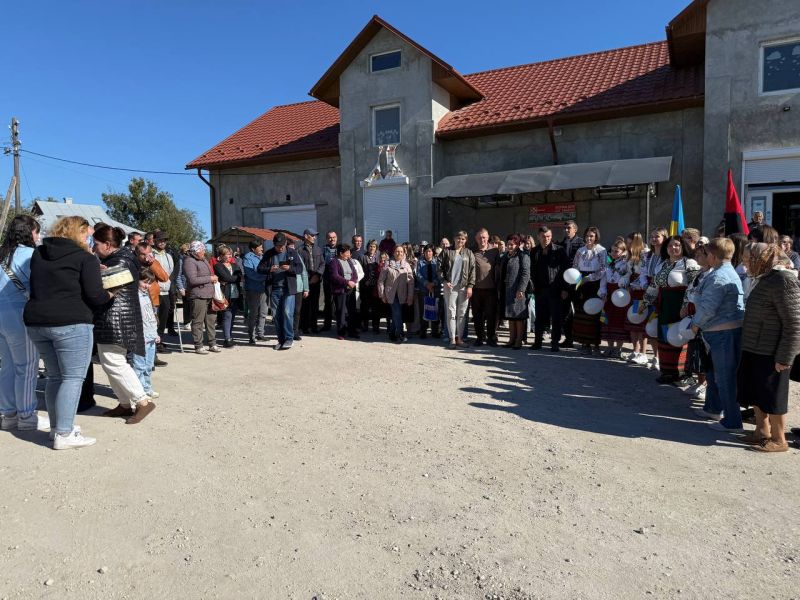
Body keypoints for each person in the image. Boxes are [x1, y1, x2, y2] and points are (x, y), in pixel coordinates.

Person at [24, 217, 112, 448]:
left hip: (37, 321)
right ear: (77, 232)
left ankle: (57, 428)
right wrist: (110, 295)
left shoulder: (39, 254)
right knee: (73, 378)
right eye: (86, 234)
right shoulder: (85, 258)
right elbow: (95, 295)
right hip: (71, 321)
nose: (89, 238)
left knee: (54, 376)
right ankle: (64, 432)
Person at [738, 242, 800, 451]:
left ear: (761, 259)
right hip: (754, 346)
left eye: (748, 259)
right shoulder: (763, 278)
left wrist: (785, 357)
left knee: (773, 395)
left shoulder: (783, 279)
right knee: (756, 391)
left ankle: (779, 439)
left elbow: (794, 323)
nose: (745, 264)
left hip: (772, 350)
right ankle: (761, 432)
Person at [92, 224, 156, 425]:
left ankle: (142, 401)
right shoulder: (122, 258)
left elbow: (104, 291)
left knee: (113, 361)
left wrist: (94, 273)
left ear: (108, 244)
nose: (94, 248)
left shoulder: (119, 260)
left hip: (115, 317)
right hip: (118, 317)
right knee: (111, 361)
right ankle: (125, 404)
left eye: (96, 244)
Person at [688, 238, 745, 431]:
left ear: (712, 256)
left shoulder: (719, 277)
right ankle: (713, 408)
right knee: (714, 373)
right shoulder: (727, 272)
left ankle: (732, 421)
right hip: (720, 332)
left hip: (722, 333)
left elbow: (708, 308)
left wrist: (695, 324)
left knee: (725, 377)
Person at [0, 215, 41, 431]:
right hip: (19, 315)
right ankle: (26, 416)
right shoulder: (30, 255)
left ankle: (8, 415)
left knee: (7, 367)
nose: (38, 235)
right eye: (36, 231)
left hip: (0, 313)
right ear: (29, 232)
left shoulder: (2, 253)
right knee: (26, 367)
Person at [643, 235, 700, 384]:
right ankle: (667, 372)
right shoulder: (661, 265)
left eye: (677, 245)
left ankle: (682, 373)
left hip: (681, 305)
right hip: (665, 305)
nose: (673, 248)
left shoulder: (689, 263)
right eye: (670, 246)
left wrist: (686, 306)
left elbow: (694, 286)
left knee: (680, 334)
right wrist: (645, 301)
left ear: (683, 247)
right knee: (664, 336)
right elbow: (654, 285)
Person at [257, 232, 304, 350]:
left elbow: (300, 268)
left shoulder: (292, 252)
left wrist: (290, 268)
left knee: (288, 313)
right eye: (278, 246)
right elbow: (259, 268)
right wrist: (269, 269)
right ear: (274, 244)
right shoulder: (269, 254)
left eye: (282, 245)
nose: (280, 247)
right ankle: (281, 340)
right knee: (276, 316)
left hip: (288, 289)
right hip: (274, 289)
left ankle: (289, 338)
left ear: (286, 243)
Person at [530, 226, 568, 352]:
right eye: (543, 236)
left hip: (555, 290)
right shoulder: (534, 251)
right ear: (538, 237)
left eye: (548, 236)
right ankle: (537, 341)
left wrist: (565, 289)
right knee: (539, 318)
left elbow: (565, 271)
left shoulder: (560, 250)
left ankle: (555, 342)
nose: (546, 239)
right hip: (540, 290)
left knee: (556, 318)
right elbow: (532, 271)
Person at [134, 241, 170, 367]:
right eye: (143, 254)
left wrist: (153, 263)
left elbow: (164, 278)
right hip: (137, 301)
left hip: (153, 301)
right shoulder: (133, 262)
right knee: (140, 332)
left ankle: (152, 357)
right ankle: (138, 359)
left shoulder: (153, 262)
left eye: (148, 253)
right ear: (137, 254)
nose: (146, 257)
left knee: (153, 329)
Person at [572, 227, 606, 355]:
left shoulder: (601, 251)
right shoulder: (580, 251)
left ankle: (595, 344)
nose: (589, 238)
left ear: (596, 237)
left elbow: (603, 269)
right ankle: (585, 343)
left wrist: (590, 278)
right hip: (582, 283)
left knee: (594, 314)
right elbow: (574, 266)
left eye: (591, 236)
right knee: (582, 313)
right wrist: (579, 279)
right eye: (587, 236)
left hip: (595, 284)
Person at [439, 231, 475, 348]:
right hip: (450, 287)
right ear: (454, 238)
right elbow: (439, 268)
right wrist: (444, 280)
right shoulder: (446, 251)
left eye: (463, 239)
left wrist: (470, 286)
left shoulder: (469, 253)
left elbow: (472, 271)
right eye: (459, 238)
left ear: (466, 240)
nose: (461, 241)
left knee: (462, 314)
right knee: (451, 313)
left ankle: (460, 339)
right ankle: (452, 339)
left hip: (464, 287)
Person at [183, 241, 221, 354]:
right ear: (195, 250)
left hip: (209, 294)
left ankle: (212, 343)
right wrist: (210, 278)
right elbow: (192, 280)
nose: (204, 251)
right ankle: (198, 345)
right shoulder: (189, 261)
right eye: (202, 250)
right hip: (198, 295)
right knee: (198, 321)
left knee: (211, 321)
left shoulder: (203, 259)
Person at [597, 239, 630, 358]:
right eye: (612, 251)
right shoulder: (609, 265)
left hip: (620, 295)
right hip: (609, 295)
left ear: (623, 252)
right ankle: (609, 346)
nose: (614, 253)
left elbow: (627, 278)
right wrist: (603, 292)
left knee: (619, 322)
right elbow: (603, 280)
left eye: (617, 251)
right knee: (607, 320)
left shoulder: (626, 264)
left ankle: (618, 348)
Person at [377, 245, 415, 343]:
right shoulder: (388, 263)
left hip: (402, 294)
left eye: (401, 251)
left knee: (396, 314)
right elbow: (381, 280)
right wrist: (382, 294)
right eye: (397, 251)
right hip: (391, 293)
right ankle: (400, 334)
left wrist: (410, 297)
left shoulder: (406, 265)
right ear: (393, 253)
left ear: (404, 253)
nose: (399, 253)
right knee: (397, 313)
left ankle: (392, 333)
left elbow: (411, 282)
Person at [132, 268, 160, 399]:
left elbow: (151, 317)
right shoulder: (134, 297)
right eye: (144, 282)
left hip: (151, 336)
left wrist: (155, 334)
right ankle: (138, 392)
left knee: (149, 366)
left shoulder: (147, 296)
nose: (147, 285)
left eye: (149, 283)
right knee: (139, 366)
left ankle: (147, 388)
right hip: (140, 338)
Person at [500, 234, 531, 349]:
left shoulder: (523, 256)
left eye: (512, 244)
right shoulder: (506, 256)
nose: (509, 246)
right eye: (508, 244)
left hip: (518, 291)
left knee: (518, 316)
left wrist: (521, 289)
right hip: (507, 290)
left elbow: (525, 274)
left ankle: (519, 340)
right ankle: (511, 339)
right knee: (511, 316)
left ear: (518, 245)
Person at [471, 228, 500, 347]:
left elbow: (499, 270)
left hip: (490, 289)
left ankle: (491, 338)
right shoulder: (472, 251)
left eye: (484, 237)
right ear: (476, 239)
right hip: (476, 289)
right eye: (480, 237)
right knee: (477, 315)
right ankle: (479, 337)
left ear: (488, 238)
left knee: (491, 315)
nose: (482, 240)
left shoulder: (494, 251)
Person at [625, 232, 651, 366]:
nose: (628, 245)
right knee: (633, 321)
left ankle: (644, 353)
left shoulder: (645, 254)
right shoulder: (630, 257)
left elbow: (644, 274)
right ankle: (635, 350)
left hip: (641, 291)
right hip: (632, 291)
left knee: (641, 322)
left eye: (630, 243)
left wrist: (636, 285)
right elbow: (628, 273)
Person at [560, 220, 584, 348]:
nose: (566, 230)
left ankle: (583, 340)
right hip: (565, 283)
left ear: (575, 229)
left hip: (578, 284)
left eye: (569, 228)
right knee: (566, 313)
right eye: (565, 228)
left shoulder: (581, 244)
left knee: (580, 312)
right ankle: (569, 339)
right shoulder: (562, 243)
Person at [213, 245, 243, 348]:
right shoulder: (218, 266)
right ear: (221, 256)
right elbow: (227, 278)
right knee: (227, 316)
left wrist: (232, 278)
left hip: (236, 294)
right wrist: (234, 278)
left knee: (233, 316)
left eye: (230, 254)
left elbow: (239, 277)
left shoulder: (234, 265)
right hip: (225, 294)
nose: (230, 256)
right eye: (227, 254)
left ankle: (229, 336)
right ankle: (227, 338)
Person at [328, 244, 360, 340]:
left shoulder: (349, 261)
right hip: (340, 290)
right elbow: (334, 276)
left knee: (352, 310)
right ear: (341, 253)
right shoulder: (334, 262)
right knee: (341, 311)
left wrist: (353, 281)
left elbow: (354, 273)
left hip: (350, 289)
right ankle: (341, 332)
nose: (349, 254)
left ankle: (352, 330)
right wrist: (346, 282)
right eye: (347, 252)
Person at [298, 229, 324, 334]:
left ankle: (314, 326)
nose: (314, 237)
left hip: (316, 281)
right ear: (306, 236)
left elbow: (323, 263)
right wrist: (306, 279)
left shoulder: (318, 249)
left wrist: (317, 274)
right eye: (312, 235)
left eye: (315, 236)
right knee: (305, 305)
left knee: (315, 305)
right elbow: (298, 266)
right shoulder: (299, 250)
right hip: (305, 282)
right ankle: (304, 327)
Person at [152, 231, 176, 343]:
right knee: (153, 320)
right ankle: (153, 343)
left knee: (163, 319)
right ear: (155, 241)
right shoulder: (151, 254)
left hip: (166, 292)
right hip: (154, 292)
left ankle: (160, 341)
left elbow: (170, 272)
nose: (162, 242)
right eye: (160, 240)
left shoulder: (168, 256)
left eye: (164, 240)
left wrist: (169, 283)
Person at [242, 240, 268, 344]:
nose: (262, 249)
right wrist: (265, 277)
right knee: (253, 313)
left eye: (262, 247)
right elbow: (250, 274)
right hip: (253, 289)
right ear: (253, 249)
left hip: (263, 289)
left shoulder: (263, 257)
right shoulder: (248, 258)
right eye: (260, 247)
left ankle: (260, 334)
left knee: (263, 312)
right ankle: (251, 336)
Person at [416, 244, 442, 340]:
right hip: (424, 289)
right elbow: (418, 274)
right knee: (423, 310)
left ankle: (435, 331)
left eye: (430, 251)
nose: (428, 253)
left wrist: (433, 284)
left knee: (436, 309)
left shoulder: (437, 262)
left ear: (433, 252)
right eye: (426, 251)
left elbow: (440, 274)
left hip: (435, 289)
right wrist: (427, 284)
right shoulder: (420, 262)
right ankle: (423, 331)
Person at [287, 240, 309, 341]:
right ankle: (288, 331)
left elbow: (304, 272)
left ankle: (295, 331)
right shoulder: (284, 256)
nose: (292, 248)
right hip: (287, 287)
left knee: (297, 311)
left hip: (298, 287)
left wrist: (306, 288)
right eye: (290, 246)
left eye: (293, 246)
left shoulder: (297, 256)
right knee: (288, 311)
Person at [359, 240, 381, 333]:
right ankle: (365, 325)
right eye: (370, 246)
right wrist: (364, 281)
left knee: (376, 307)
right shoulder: (362, 257)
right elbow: (359, 271)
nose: (372, 248)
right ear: (367, 247)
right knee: (365, 307)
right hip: (365, 286)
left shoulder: (379, 257)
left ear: (376, 248)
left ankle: (376, 326)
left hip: (376, 287)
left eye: (374, 246)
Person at [321, 231, 338, 332]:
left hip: (339, 280)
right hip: (327, 280)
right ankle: (327, 325)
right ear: (327, 239)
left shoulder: (341, 248)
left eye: (334, 237)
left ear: (337, 237)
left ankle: (341, 325)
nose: (332, 239)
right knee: (328, 302)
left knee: (339, 303)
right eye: (330, 238)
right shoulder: (323, 249)